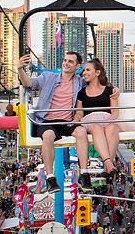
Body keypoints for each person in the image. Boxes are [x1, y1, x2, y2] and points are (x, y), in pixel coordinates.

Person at [17, 52, 90, 180]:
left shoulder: (79, 82)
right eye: (65, 60)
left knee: (81, 131)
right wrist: (19, 69)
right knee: (48, 135)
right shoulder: (47, 77)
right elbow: (28, 83)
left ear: (78, 66)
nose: (66, 63)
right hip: (46, 121)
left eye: (70, 62)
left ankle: (84, 173)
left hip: (66, 122)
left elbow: (96, 83)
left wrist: (113, 90)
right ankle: (50, 176)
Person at [77, 57, 123, 171]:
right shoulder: (82, 93)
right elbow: (79, 113)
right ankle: (108, 164)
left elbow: (115, 111)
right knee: (96, 128)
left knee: (111, 128)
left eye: (88, 70)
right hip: (90, 121)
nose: (84, 73)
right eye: (84, 70)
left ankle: (108, 166)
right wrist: (75, 121)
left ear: (97, 72)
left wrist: (110, 120)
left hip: (106, 118)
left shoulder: (109, 90)